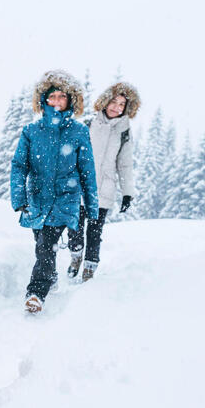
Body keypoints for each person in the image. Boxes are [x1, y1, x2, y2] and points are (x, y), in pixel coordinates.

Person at [10, 70, 99, 314]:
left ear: (71, 100)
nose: (57, 102)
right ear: (44, 100)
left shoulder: (79, 132)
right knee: (40, 244)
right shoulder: (31, 131)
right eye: (53, 97)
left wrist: (92, 207)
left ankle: (36, 293)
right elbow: (19, 166)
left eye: (62, 97)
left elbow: (87, 171)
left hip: (65, 199)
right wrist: (19, 199)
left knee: (46, 246)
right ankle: (50, 276)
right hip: (37, 199)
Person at [66, 81, 140, 282]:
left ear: (126, 108)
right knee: (75, 228)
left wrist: (127, 192)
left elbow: (124, 164)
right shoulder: (89, 124)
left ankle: (89, 268)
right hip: (80, 186)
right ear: (106, 101)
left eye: (122, 104)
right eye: (114, 102)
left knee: (95, 232)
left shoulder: (124, 132)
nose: (117, 107)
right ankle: (75, 256)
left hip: (104, 188)